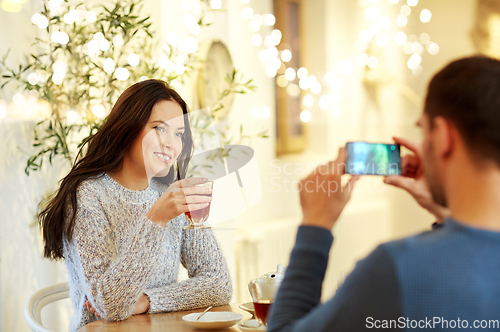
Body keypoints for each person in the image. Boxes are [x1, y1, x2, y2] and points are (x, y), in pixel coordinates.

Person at [267, 56, 500, 332]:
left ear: (443, 136)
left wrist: (316, 224)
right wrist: (444, 213)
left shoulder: (400, 268)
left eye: (424, 132)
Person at [39, 79, 232, 332]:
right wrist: (156, 220)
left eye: (178, 134)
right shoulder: (89, 196)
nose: (171, 144)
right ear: (129, 128)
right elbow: (111, 306)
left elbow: (218, 283)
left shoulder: (170, 194)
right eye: (159, 128)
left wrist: (149, 301)